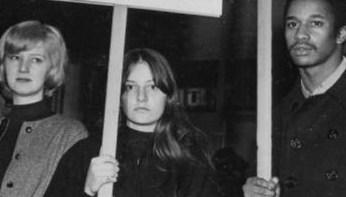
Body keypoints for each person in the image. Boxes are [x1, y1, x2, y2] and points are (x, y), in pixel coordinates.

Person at [45, 48, 218, 197]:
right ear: (118, 96)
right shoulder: (87, 153)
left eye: (152, 87)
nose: (141, 97)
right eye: (131, 86)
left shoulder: (190, 158)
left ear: (168, 97)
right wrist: (88, 191)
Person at [243, 0, 346, 197]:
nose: (300, 35)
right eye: (292, 24)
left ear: (341, 34)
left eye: (315, 23)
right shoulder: (276, 117)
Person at [0, 20, 88, 197]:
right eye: (15, 57)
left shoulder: (70, 134)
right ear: (3, 65)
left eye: (36, 60)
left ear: (51, 68)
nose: (23, 68)